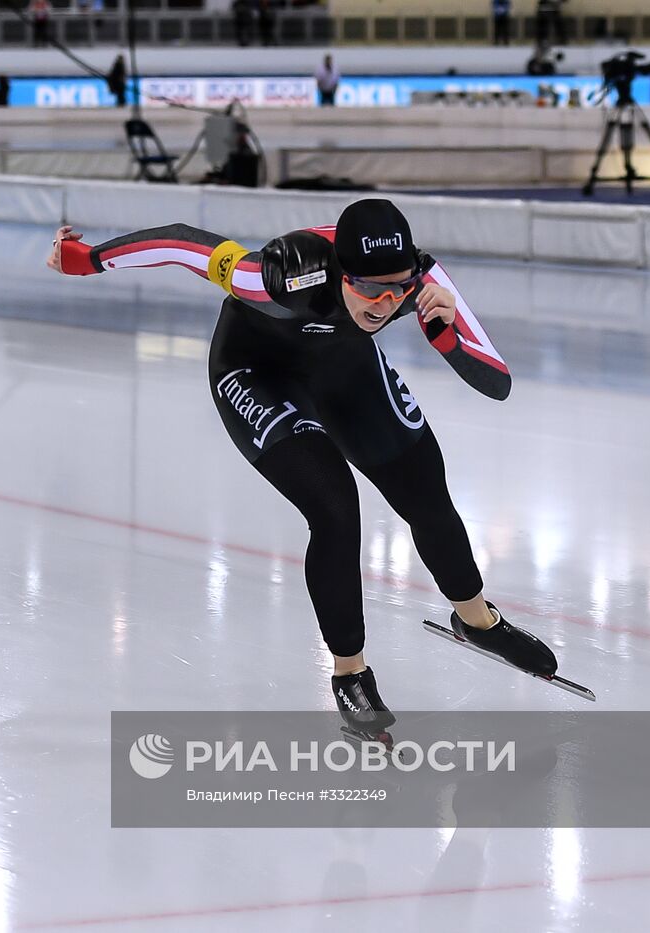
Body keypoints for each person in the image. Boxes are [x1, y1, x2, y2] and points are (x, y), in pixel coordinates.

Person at [46, 200, 565, 736]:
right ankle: (349, 671)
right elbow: (182, 243)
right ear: (341, 272)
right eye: (369, 290)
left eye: (398, 291)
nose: (384, 305)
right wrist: (84, 258)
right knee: (336, 509)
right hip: (258, 372)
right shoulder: (279, 274)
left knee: (426, 490)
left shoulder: (421, 278)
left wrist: (445, 335)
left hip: (344, 370)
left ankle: (477, 620)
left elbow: (497, 382)